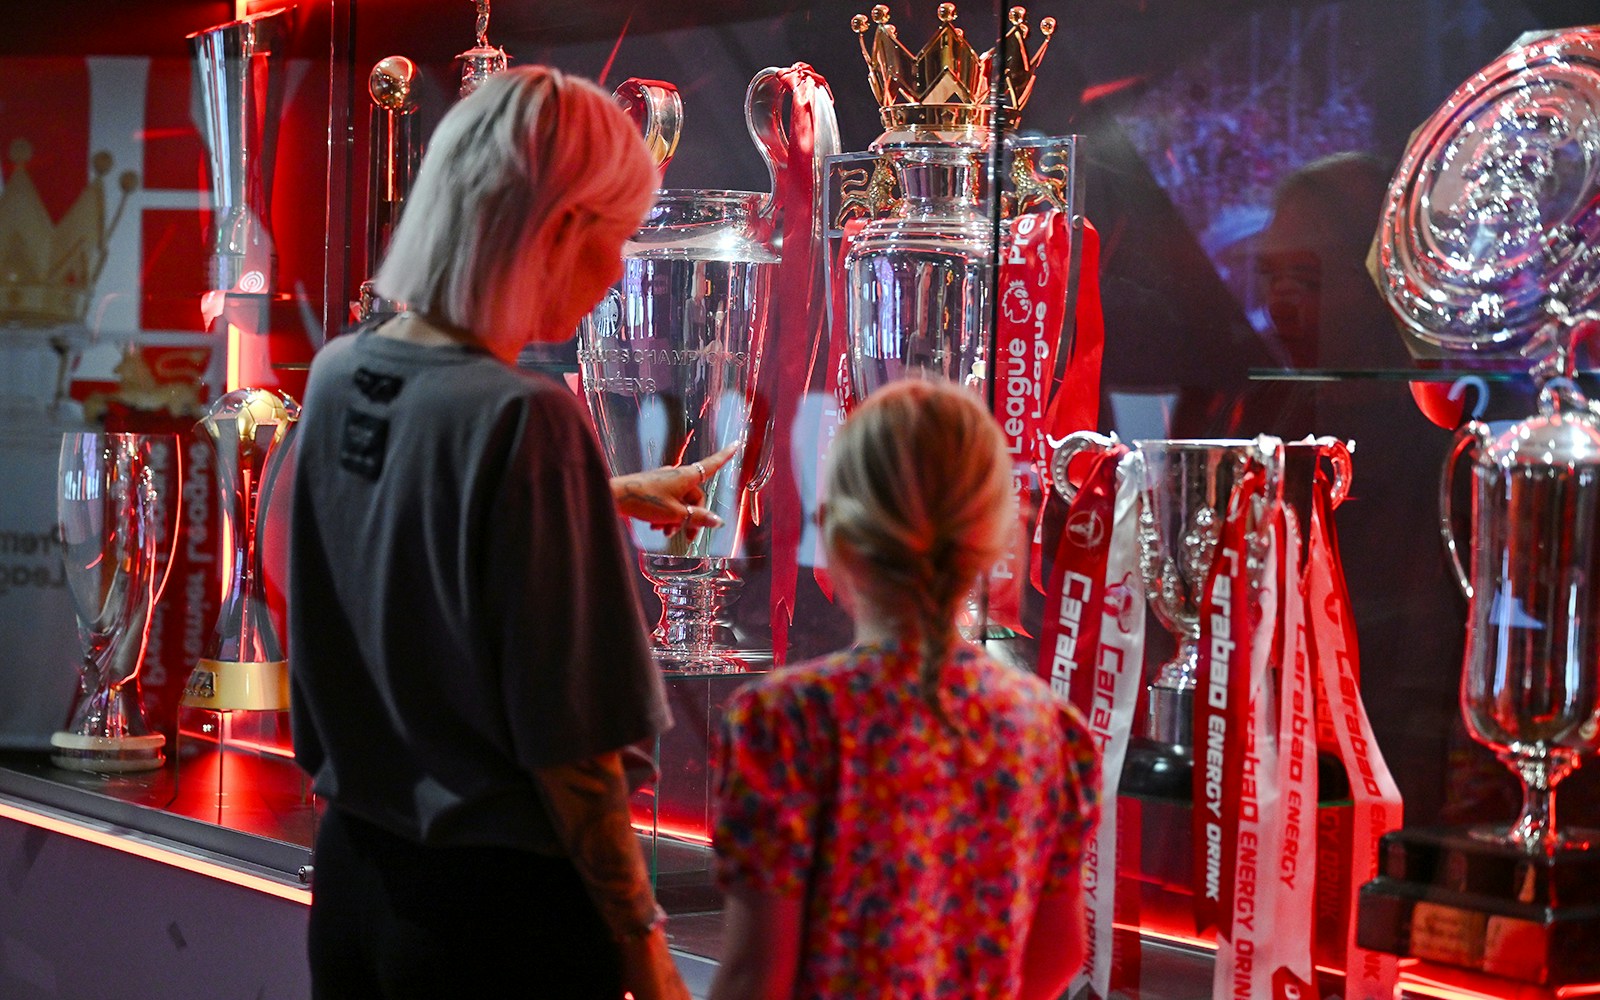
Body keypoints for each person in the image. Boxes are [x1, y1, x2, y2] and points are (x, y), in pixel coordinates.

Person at [287, 66, 699, 1000]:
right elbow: (574, 753)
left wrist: (596, 494)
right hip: (501, 923)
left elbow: (414, 512)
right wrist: (642, 942)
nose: (621, 272)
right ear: (556, 230)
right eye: (618, 237)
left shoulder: (340, 373)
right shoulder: (530, 421)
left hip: (353, 889)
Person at [709, 378, 1101, 1000]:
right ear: (996, 534)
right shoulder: (1053, 731)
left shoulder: (786, 723)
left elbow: (758, 974)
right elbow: (1058, 953)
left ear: (835, 534)